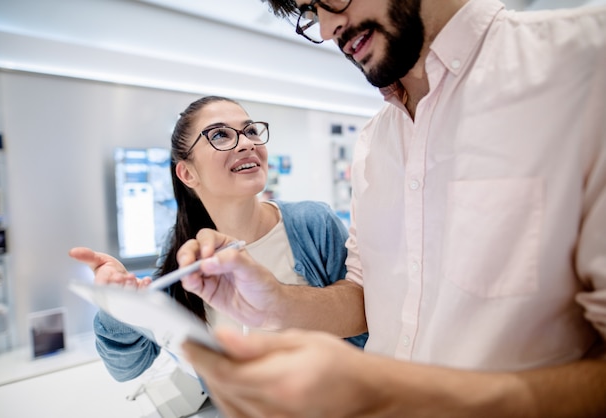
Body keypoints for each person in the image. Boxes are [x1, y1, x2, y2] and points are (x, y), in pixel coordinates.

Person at [178, 0, 606, 417]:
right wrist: (276, 303)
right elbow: (366, 296)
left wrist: (397, 395)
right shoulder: (375, 142)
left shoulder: (584, 64)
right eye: (311, 13)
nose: (326, 30)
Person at [69, 95, 367, 382]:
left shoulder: (313, 224)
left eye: (250, 130)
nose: (248, 143)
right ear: (187, 174)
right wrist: (118, 306)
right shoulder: (181, 249)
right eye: (221, 135)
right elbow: (127, 369)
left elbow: (367, 329)